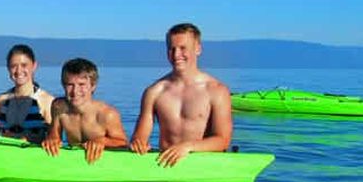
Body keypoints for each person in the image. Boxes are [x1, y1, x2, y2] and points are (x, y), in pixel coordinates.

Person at [129, 22, 232, 166]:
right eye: (171, 49)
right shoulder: (154, 92)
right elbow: (140, 137)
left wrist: (188, 146)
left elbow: (222, 140)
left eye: (183, 48)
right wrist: (138, 144)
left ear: (198, 49)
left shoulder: (217, 91)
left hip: (204, 166)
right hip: (165, 166)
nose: (176, 54)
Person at [41, 57, 127, 163]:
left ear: (93, 86)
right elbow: (54, 134)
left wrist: (102, 141)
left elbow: (123, 143)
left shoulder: (107, 114)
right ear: (63, 85)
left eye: (82, 85)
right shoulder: (59, 106)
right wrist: (52, 140)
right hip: (74, 163)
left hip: (103, 164)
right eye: (70, 85)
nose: (75, 91)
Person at [0, 44, 54, 143]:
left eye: (24, 65)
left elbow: (54, 140)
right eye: (13, 66)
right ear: (8, 68)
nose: (18, 71)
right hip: (5, 156)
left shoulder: (46, 101)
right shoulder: (1, 101)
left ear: (34, 66)